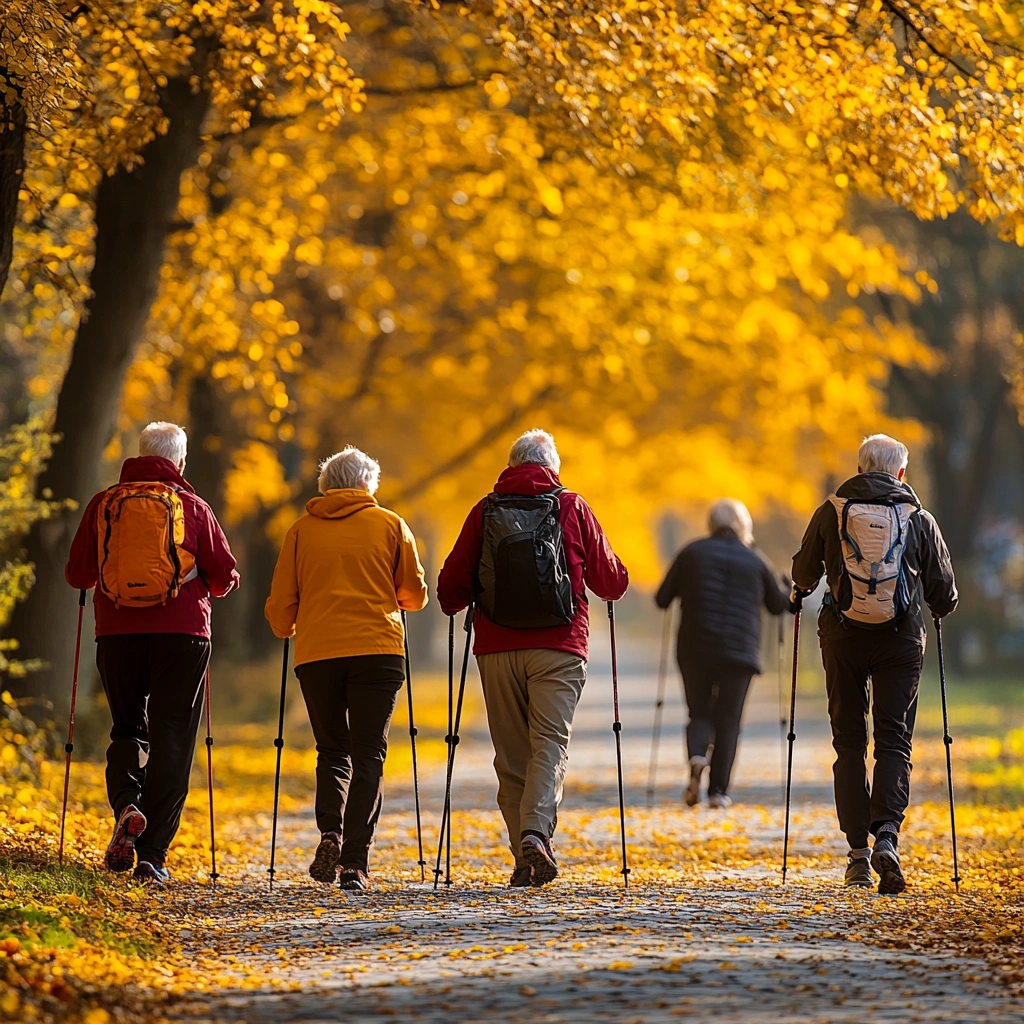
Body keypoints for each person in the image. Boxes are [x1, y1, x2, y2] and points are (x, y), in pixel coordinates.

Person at [437, 429, 628, 888]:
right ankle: (535, 835)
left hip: (497, 648)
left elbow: (449, 592)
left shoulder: (484, 511)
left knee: (511, 756)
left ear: (511, 464)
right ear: (552, 468)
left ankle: (524, 858)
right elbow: (612, 583)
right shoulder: (572, 506)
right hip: (559, 648)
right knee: (549, 744)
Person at [65, 421, 239, 884]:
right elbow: (222, 577)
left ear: (139, 454)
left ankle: (126, 803)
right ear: (179, 462)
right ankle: (152, 857)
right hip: (182, 634)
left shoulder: (104, 505)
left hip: (117, 632)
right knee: (174, 738)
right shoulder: (194, 507)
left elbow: (77, 574)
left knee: (127, 728)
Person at [791, 434, 957, 894]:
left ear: (861, 467)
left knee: (847, 741)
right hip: (900, 639)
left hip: (842, 636)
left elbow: (803, 574)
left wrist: (802, 588)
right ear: (901, 473)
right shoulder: (919, 518)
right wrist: (937, 608)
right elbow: (944, 594)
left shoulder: (833, 509)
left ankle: (858, 856)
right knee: (893, 740)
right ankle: (887, 834)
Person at [265, 446, 427, 891]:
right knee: (369, 752)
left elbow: (281, 607)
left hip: (318, 654)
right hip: (378, 650)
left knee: (332, 751)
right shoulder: (391, 525)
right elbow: (413, 595)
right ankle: (354, 861)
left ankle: (330, 832)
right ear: (367, 485)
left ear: (325, 485)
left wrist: (287, 625)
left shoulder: (299, 531)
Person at [655, 499, 790, 809]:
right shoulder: (756, 560)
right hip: (740, 653)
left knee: (699, 711)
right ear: (744, 526)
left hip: (695, 648)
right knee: (729, 720)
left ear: (710, 522)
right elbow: (778, 606)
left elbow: (662, 598)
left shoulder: (691, 553)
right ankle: (718, 792)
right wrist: (786, 587)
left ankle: (697, 756)